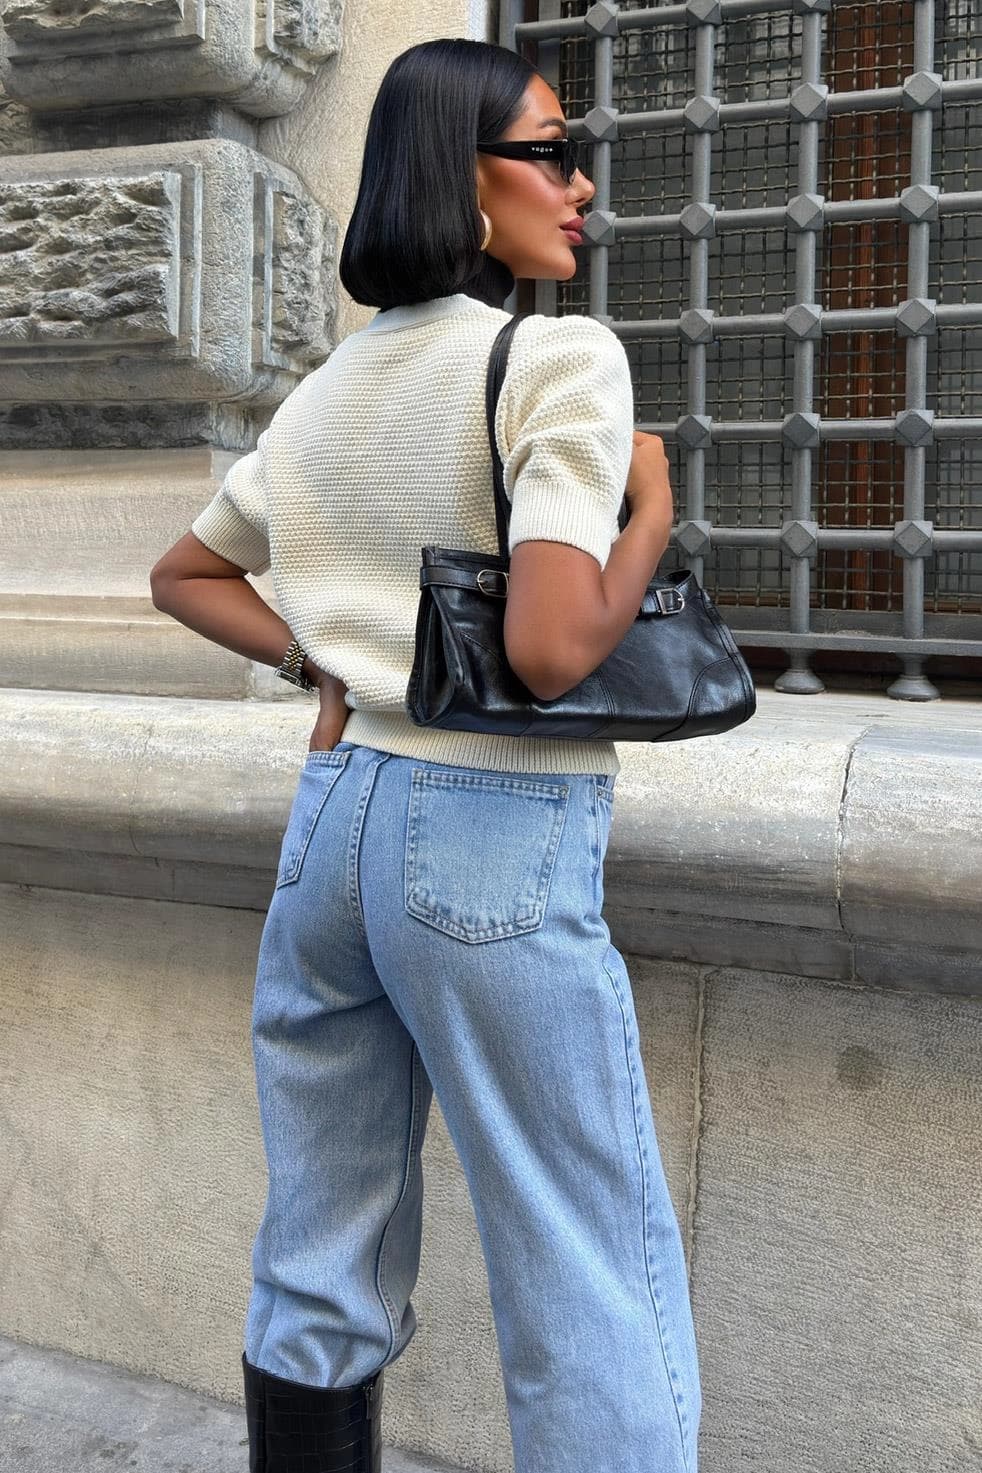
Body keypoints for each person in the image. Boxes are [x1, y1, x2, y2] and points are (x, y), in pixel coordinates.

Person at [150, 37, 701, 1473]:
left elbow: (186, 575)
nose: (581, 184)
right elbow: (551, 650)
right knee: (582, 1254)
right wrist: (649, 510)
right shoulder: (557, 358)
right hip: (489, 833)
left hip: (334, 823)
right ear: (464, 177)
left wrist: (317, 664)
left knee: (321, 1235)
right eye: (552, 151)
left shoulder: (327, 390)